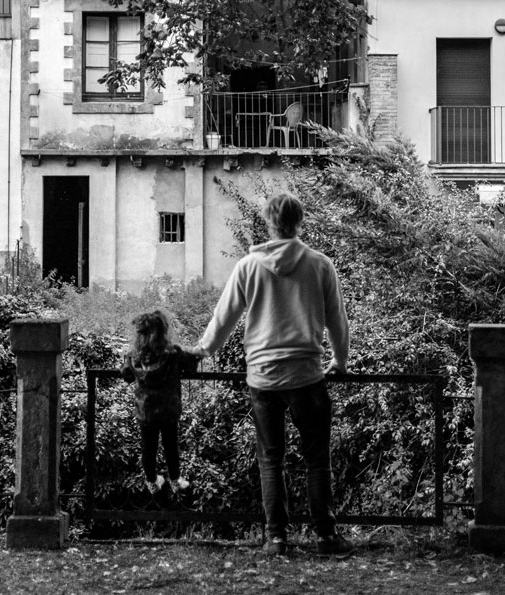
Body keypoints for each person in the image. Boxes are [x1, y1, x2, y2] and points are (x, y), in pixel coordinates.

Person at [195, 193, 354, 557]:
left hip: (263, 377)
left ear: (267, 221)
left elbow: (224, 317)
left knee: (271, 459)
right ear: (300, 220)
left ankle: (276, 538)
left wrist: (203, 350)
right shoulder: (319, 264)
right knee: (317, 460)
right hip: (307, 375)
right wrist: (340, 362)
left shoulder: (249, 266)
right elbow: (337, 320)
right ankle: (326, 536)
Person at [121, 310, 201, 495]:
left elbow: (126, 375)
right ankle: (175, 480)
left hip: (146, 410)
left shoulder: (134, 356)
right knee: (171, 445)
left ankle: (152, 482)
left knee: (148, 447)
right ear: (163, 331)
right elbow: (191, 367)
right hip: (168, 409)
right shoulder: (173, 353)